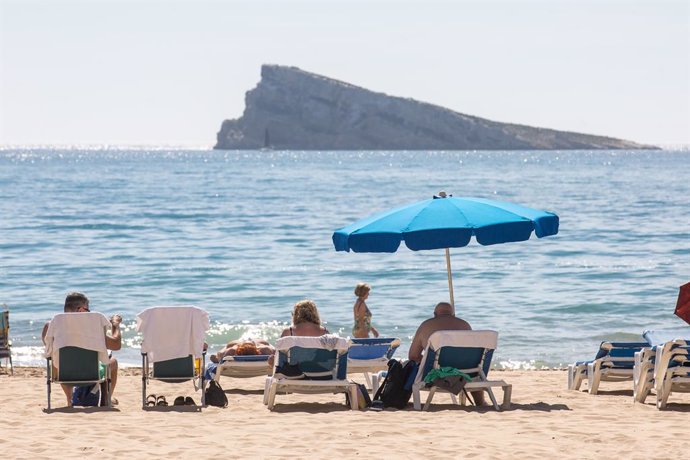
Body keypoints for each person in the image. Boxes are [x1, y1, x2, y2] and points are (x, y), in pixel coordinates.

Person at [42, 292, 122, 407]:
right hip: (91, 373)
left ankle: (70, 400)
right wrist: (115, 325)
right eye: (88, 310)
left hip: (61, 375)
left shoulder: (50, 326)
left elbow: (50, 351)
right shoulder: (93, 328)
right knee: (113, 361)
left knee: (57, 360)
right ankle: (107, 398)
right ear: (81, 310)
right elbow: (116, 345)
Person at [408, 301, 484, 405]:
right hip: (466, 374)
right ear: (453, 314)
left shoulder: (426, 326)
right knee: (475, 369)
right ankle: (480, 402)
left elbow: (413, 356)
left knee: (410, 366)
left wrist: (429, 361)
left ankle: (400, 400)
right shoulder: (465, 325)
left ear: (434, 314)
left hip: (437, 374)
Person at [268, 299, 329, 367]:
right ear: (315, 314)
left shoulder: (288, 332)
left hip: (293, 374)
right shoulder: (325, 332)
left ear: (296, 314)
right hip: (320, 373)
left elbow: (278, 360)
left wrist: (271, 361)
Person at [209, 338, 275, 364]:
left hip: (239, 344)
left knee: (229, 347)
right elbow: (275, 353)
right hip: (256, 343)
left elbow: (220, 355)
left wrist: (218, 357)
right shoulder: (264, 349)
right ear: (257, 350)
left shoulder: (233, 349)